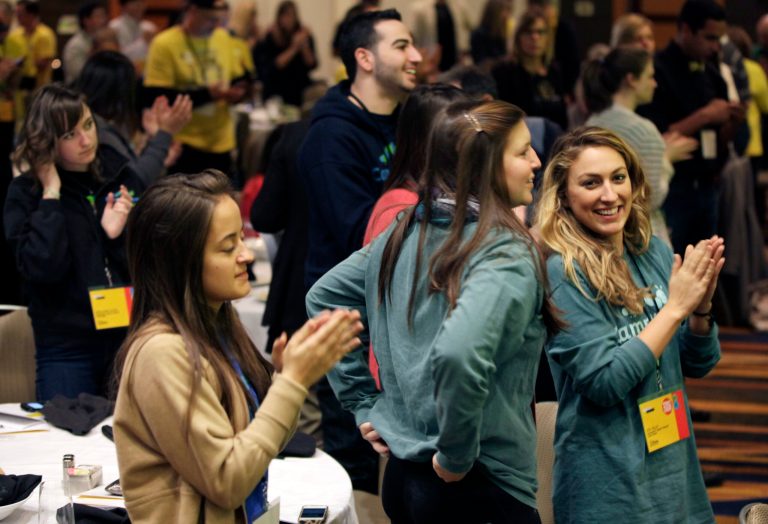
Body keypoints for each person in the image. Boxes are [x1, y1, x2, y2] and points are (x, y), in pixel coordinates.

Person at [308, 99, 558, 523]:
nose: (536, 160)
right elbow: (459, 354)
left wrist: (365, 403)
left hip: (405, 481)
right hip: (476, 486)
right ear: (484, 165)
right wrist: (456, 454)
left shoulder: (410, 227)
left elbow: (323, 297)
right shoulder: (503, 252)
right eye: (522, 151)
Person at [112, 170, 362, 523]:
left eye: (242, 239)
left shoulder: (216, 328)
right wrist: (292, 383)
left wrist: (284, 381)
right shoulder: (161, 353)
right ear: (181, 261)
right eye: (228, 247)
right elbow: (227, 480)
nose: (245, 255)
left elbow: (259, 445)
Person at [535, 126, 724, 523]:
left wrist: (700, 313)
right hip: (607, 485)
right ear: (564, 196)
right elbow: (604, 383)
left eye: (618, 178)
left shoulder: (650, 250)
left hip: (674, 471)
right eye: (591, 183)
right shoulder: (562, 274)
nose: (609, 195)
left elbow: (693, 363)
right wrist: (674, 309)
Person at [297, 8, 421, 493]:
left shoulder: (409, 122)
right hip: (350, 323)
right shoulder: (331, 137)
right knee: (360, 454)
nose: (415, 56)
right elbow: (360, 234)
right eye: (401, 46)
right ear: (364, 58)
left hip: (399, 312)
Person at [4, 83, 144, 401]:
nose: (86, 140)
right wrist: (51, 193)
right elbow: (43, 268)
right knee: (67, 449)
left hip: (126, 336)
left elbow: (150, 263)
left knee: (130, 443)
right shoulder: (27, 193)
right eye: (69, 135)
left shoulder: (118, 176)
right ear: (48, 142)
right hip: (66, 346)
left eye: (88, 125)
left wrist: (114, 236)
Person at [638, 0, 739, 255]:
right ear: (685, 30)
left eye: (719, 39)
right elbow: (655, 137)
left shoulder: (712, 71)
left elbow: (721, 138)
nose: (716, 46)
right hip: (673, 188)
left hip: (708, 185)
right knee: (672, 263)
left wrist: (732, 121)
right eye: (709, 38)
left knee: (707, 263)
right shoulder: (656, 72)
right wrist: (705, 116)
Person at [583, 47, 697, 245]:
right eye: (650, 76)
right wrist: (667, 159)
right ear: (631, 80)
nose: (655, 84)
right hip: (638, 235)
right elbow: (651, 199)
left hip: (599, 232)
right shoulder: (643, 130)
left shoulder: (592, 121)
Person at [143, 0, 249, 183]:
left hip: (221, 140)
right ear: (192, 11)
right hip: (183, 143)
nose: (215, 25)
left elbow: (236, 78)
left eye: (218, 19)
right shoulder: (164, 43)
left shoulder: (222, 38)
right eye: (209, 19)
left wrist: (237, 94)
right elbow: (156, 97)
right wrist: (208, 95)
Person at [77, 50, 192, 185]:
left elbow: (130, 167)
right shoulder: (97, 129)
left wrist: (154, 146)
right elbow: (135, 181)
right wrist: (165, 134)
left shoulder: (90, 119)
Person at [492, 8, 568, 130]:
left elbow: (562, 117)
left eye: (540, 32)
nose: (535, 37)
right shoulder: (504, 71)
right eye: (528, 32)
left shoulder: (554, 70)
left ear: (548, 37)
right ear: (518, 37)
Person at [253, 0, 317, 107]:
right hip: (276, 87)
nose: (288, 20)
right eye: (285, 16)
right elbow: (275, 65)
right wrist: (294, 47)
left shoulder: (302, 34)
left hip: (298, 87)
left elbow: (312, 64)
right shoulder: (271, 36)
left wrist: (304, 45)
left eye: (291, 16)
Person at [62, 1, 108, 85]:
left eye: (104, 16)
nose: (104, 20)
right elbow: (78, 74)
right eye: (99, 16)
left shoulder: (103, 39)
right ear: (86, 21)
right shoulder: (76, 44)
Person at [469, 0, 509, 68]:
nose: (506, 15)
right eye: (504, 11)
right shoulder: (479, 34)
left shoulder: (499, 35)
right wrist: (503, 60)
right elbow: (480, 63)